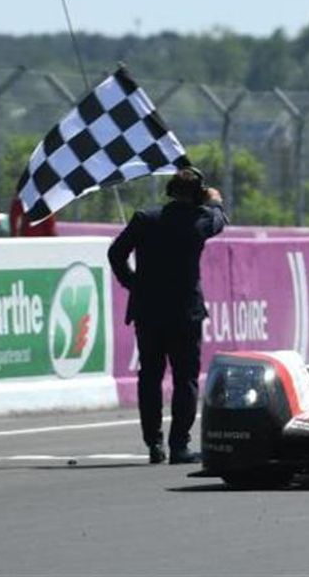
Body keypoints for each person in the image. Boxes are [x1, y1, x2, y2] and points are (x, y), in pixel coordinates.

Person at [108, 168, 227, 465]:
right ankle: (179, 445)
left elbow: (116, 254)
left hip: (149, 310)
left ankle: (154, 443)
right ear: (197, 195)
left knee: (150, 376)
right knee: (185, 379)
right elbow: (218, 219)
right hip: (185, 312)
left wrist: (133, 283)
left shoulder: (145, 219)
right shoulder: (199, 220)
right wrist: (215, 201)